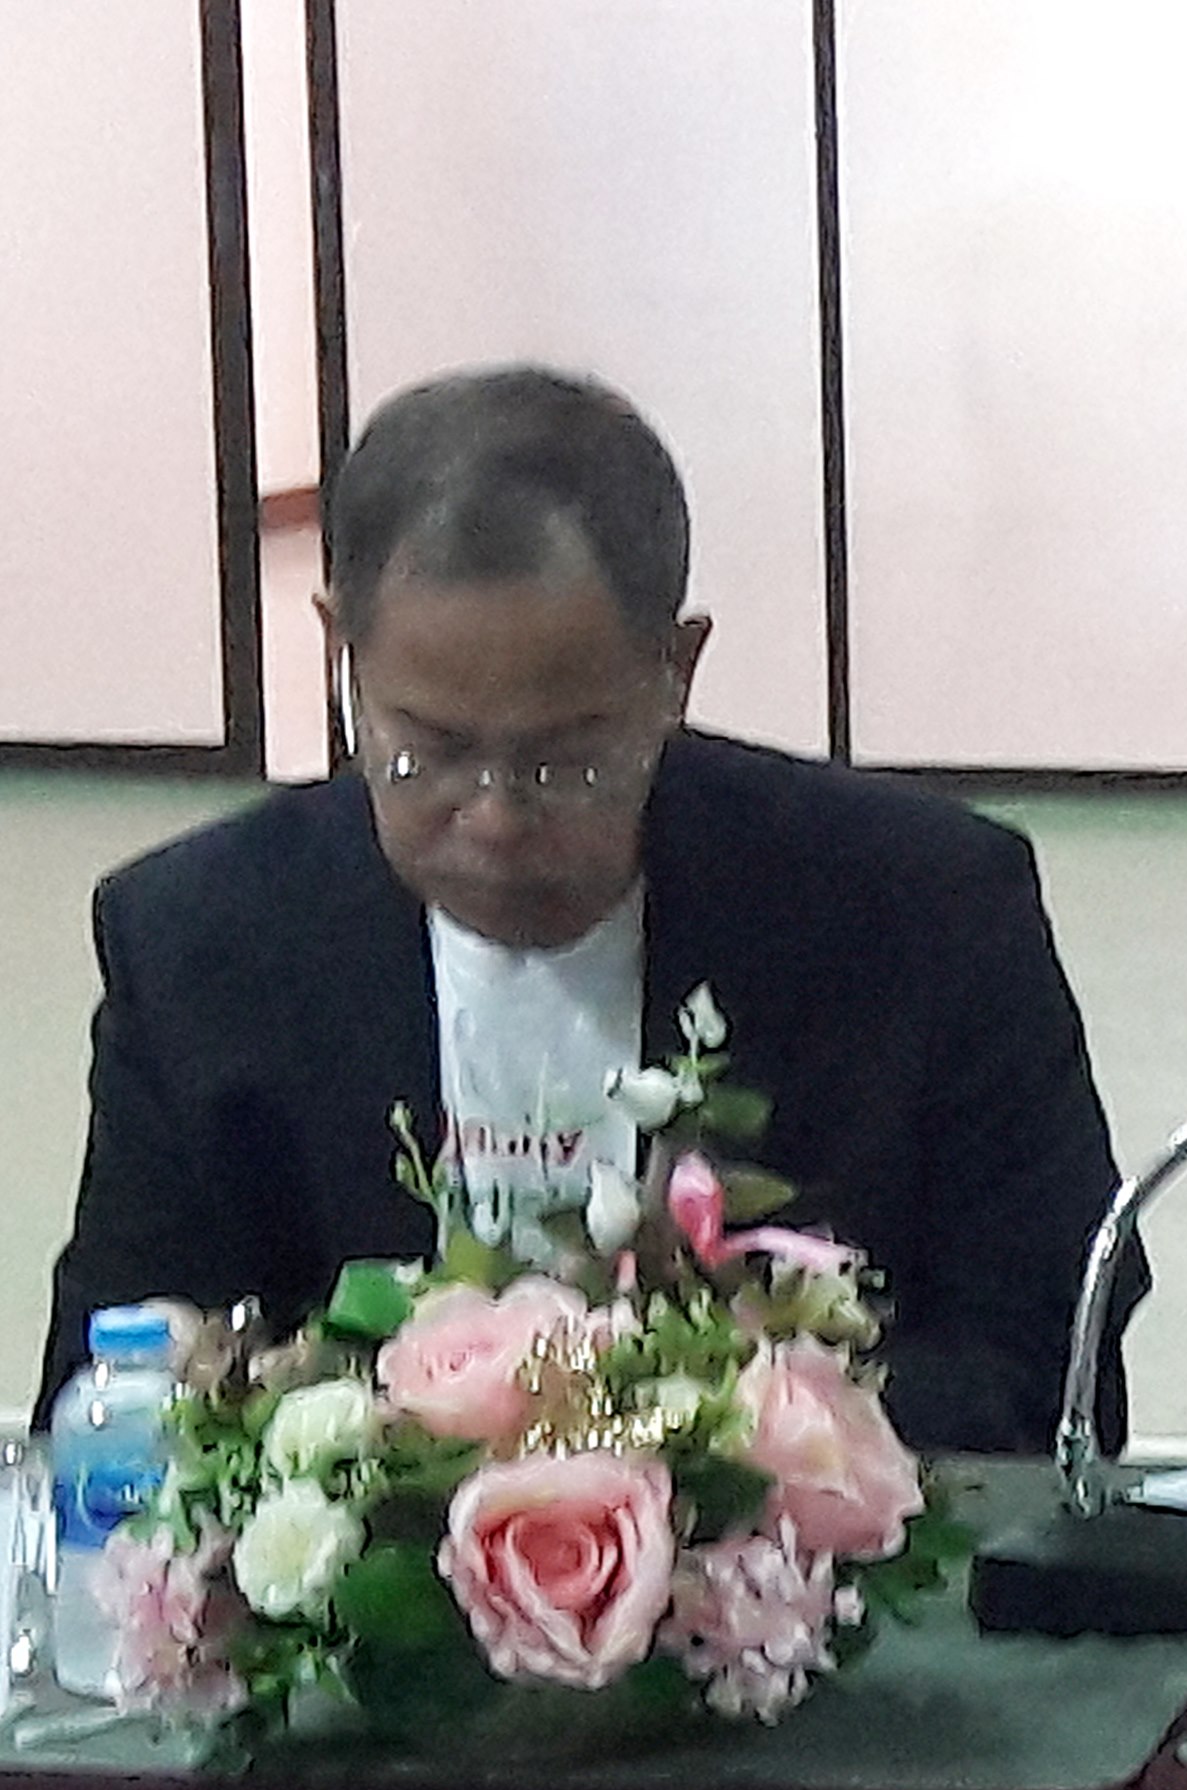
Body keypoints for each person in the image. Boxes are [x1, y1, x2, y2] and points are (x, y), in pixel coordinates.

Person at [40, 365, 1131, 1454]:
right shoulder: (197, 944)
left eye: (567, 763)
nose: (496, 818)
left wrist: (702, 1443)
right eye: (429, 753)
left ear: (675, 671)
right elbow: (107, 1394)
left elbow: (1053, 1379)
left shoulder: (922, 914)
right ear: (344, 658)